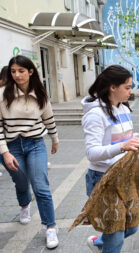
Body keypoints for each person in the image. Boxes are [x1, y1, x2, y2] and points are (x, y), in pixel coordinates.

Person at [82, 65, 139, 253]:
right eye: (127, 87)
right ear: (113, 87)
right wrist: (122, 146)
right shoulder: (95, 114)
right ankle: (106, 245)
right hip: (103, 180)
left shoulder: (123, 109)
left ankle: (98, 243)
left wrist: (138, 135)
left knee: (132, 226)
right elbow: (92, 152)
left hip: (124, 177)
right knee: (116, 236)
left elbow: (123, 138)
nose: (131, 91)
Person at [0, 55, 59, 248]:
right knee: (21, 181)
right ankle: (25, 204)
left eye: (21, 71)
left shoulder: (40, 92)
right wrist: (5, 152)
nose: (17, 75)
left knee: (40, 186)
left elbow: (48, 117)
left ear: (31, 71)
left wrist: (55, 138)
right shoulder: (2, 94)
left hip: (35, 144)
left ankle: (50, 227)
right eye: (13, 71)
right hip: (12, 146)